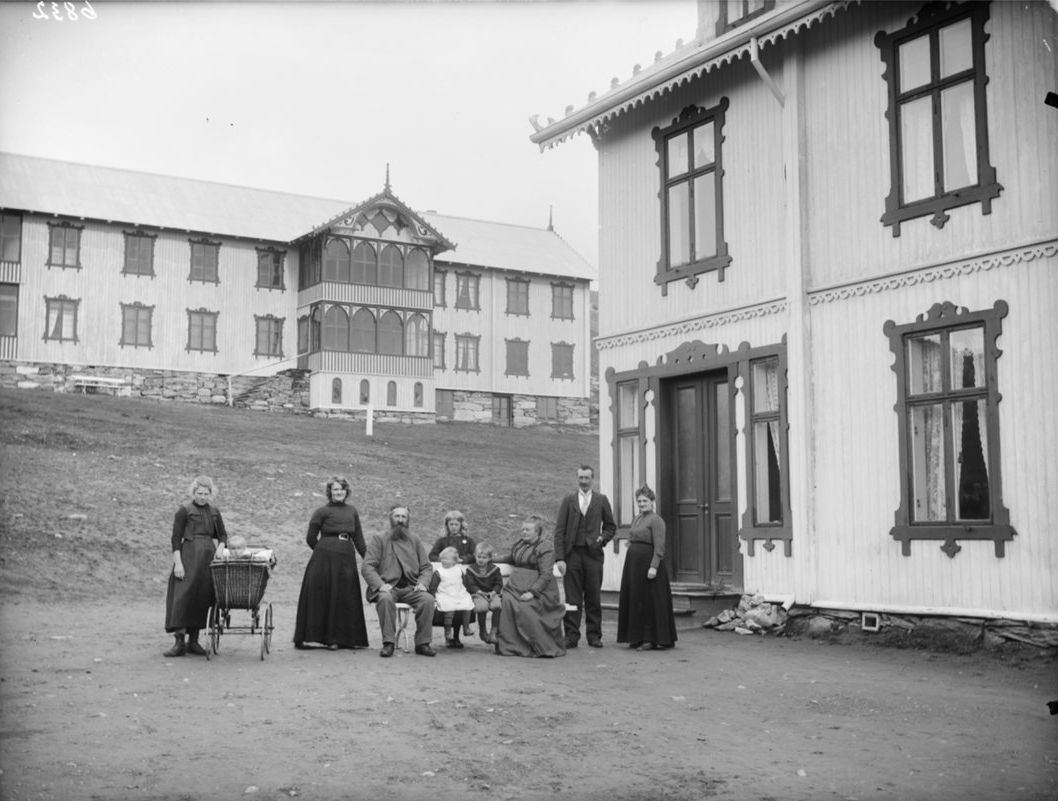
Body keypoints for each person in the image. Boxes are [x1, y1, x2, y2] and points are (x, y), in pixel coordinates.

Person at [293, 476, 369, 651]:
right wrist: (323, 552)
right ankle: (325, 639)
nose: (339, 492)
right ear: (330, 492)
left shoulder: (352, 511)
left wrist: (369, 560)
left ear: (346, 491)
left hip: (346, 556)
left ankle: (344, 639)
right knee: (323, 594)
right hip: (324, 557)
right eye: (335, 489)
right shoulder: (321, 512)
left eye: (342, 489)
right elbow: (311, 538)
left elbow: (359, 539)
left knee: (344, 594)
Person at [163, 475, 228, 657]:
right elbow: (176, 539)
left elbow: (223, 535)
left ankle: (194, 641)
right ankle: (179, 643)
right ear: (193, 492)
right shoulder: (184, 511)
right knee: (182, 596)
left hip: (208, 559)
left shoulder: (214, 511)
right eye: (199, 493)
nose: (202, 497)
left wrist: (220, 548)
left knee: (203, 597)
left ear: (211, 494)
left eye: (206, 494)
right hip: (188, 556)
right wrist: (178, 563)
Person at [553, 465, 616, 649]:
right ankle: (571, 636)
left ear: (592, 479)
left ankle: (594, 635)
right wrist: (560, 558)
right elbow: (559, 531)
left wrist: (602, 538)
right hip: (572, 555)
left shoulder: (601, 500)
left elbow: (611, 527)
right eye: (581, 477)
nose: (583, 481)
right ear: (577, 478)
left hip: (593, 556)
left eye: (587, 478)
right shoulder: (569, 500)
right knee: (572, 598)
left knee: (593, 597)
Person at [362, 505, 437, 657]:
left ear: (408, 520)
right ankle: (388, 643)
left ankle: (423, 643)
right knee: (385, 599)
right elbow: (367, 566)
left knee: (428, 599)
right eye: (397, 516)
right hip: (389, 588)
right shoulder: (379, 539)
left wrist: (422, 583)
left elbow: (426, 567)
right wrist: (381, 585)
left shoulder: (414, 540)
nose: (400, 520)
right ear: (391, 519)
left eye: (404, 517)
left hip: (411, 588)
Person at [493, 515, 565, 658]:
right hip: (515, 587)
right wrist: (490, 559)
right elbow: (510, 558)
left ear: (537, 532)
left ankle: (536, 646)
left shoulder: (545, 547)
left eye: (528, 530)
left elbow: (546, 575)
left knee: (525, 607)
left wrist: (532, 593)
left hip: (540, 590)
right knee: (505, 602)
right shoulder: (520, 544)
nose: (524, 532)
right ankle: (510, 646)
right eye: (523, 529)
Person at [616, 485, 678, 651]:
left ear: (652, 501)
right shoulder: (637, 518)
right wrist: (631, 543)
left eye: (645, 501)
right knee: (635, 599)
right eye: (639, 501)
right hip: (634, 566)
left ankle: (650, 639)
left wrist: (653, 567)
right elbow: (633, 535)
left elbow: (659, 546)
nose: (642, 503)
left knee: (648, 602)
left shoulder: (656, 520)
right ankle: (635, 637)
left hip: (648, 566)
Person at [428, 510, 478, 638]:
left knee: (463, 603)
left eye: (456, 524)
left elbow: (474, 555)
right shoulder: (442, 541)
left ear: (461, 525)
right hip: (446, 580)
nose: (454, 527)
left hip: (460, 579)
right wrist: (444, 560)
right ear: (447, 525)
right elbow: (432, 555)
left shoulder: (468, 540)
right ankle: (449, 634)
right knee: (449, 606)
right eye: (451, 524)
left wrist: (463, 560)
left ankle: (458, 634)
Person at [429, 546, 476, 648]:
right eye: (442, 559)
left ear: (454, 561)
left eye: (446, 559)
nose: (443, 561)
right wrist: (432, 597)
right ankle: (448, 630)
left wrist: (469, 592)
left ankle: (466, 627)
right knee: (449, 607)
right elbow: (433, 586)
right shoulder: (439, 572)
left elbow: (465, 582)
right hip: (445, 593)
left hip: (458, 593)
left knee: (467, 603)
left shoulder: (459, 570)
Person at [464, 542, 504, 644]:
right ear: (475, 556)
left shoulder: (494, 569)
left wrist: (494, 592)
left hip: (492, 593)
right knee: (482, 607)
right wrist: (479, 592)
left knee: (497, 605)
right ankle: (482, 630)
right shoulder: (471, 570)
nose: (481, 559)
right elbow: (471, 584)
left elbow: (499, 583)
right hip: (478, 593)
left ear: (490, 558)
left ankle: (494, 631)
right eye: (479, 557)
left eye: (484, 557)